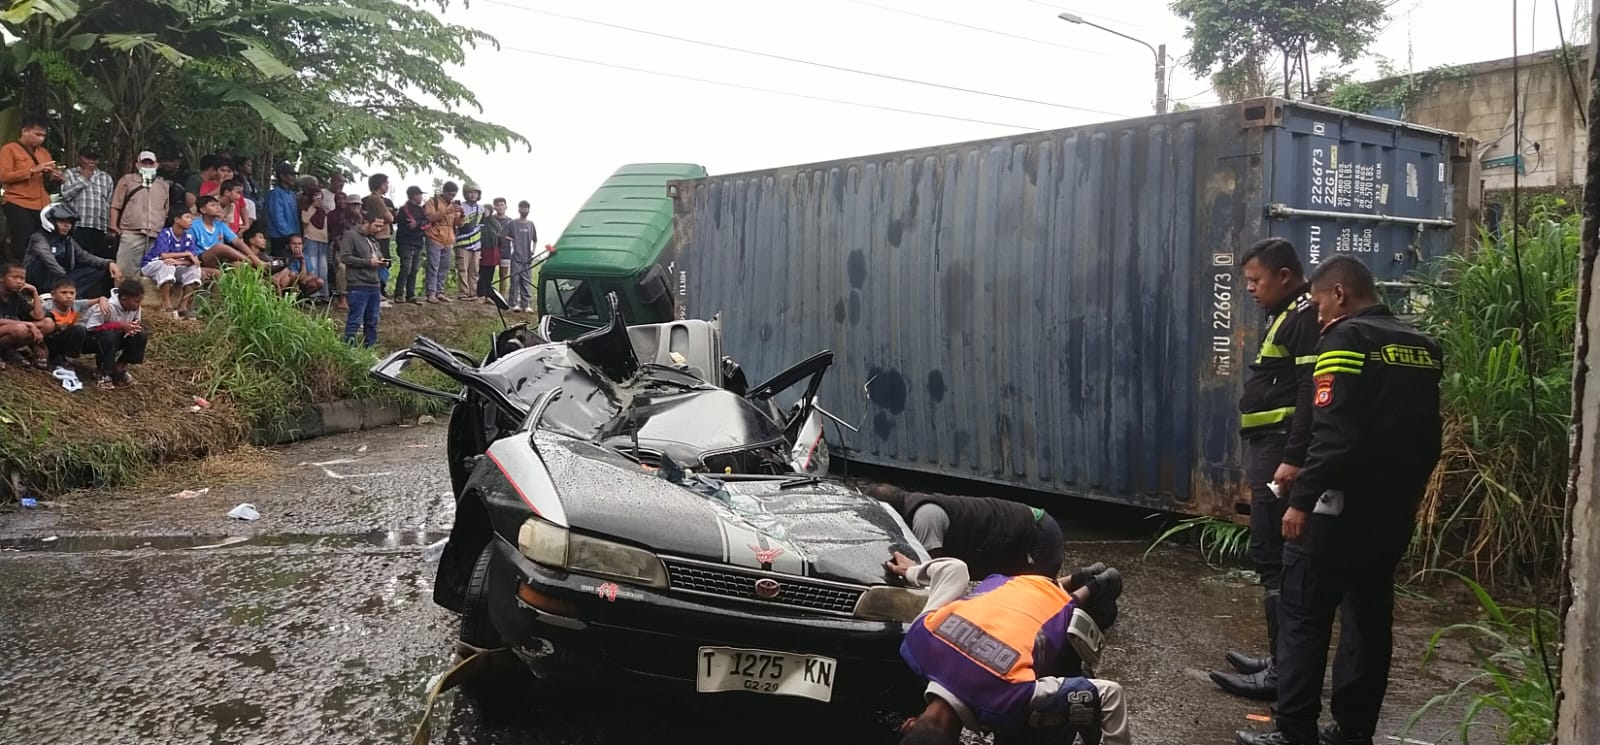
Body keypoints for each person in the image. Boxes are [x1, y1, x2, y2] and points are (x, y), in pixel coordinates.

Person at [1236, 256, 1444, 745]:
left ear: (1340, 295)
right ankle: (1353, 732)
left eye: (1320, 303)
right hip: (1390, 513)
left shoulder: (1345, 339)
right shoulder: (1423, 346)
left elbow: (1334, 437)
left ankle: (1294, 732)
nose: (1319, 315)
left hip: (1336, 510)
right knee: (1368, 622)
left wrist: (1301, 502)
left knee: (1305, 615)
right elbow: (1428, 441)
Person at [1209, 238, 1322, 701]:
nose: (1250, 289)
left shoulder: (1302, 319)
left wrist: (1291, 459)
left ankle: (1282, 675)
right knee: (1267, 553)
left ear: (1284, 276)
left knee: (1273, 553)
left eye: (1255, 280)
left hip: (1280, 453)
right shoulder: (1287, 315)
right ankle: (1279, 660)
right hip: (1270, 449)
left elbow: (1307, 394)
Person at [888, 551, 1128, 745]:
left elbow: (1110, 695)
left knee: (1033, 726)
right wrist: (912, 571)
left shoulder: (1010, 699)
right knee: (1032, 621)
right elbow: (955, 569)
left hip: (1059, 609)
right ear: (909, 723)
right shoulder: (918, 640)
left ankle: (1095, 584)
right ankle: (1093, 582)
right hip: (1019, 582)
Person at [868, 485, 1065, 581]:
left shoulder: (925, 517)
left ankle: (1088, 587)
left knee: (1039, 595)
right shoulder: (916, 508)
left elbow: (935, 574)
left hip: (1039, 533)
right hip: (1018, 537)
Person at [24, 204, 121, 300]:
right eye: (62, 221)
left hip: (61, 277)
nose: (67, 225)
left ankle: (69, 297)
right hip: (42, 278)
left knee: (97, 269)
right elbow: (48, 259)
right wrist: (64, 278)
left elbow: (84, 256)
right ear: (51, 221)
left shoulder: (67, 240)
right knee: (42, 262)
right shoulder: (38, 238)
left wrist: (108, 263)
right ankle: (48, 295)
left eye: (69, 222)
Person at [1, 115, 61, 261]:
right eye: (37, 134)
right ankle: (20, 275)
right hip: (18, 201)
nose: (41, 139)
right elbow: (3, 176)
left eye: (43, 135)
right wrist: (33, 171)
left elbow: (48, 181)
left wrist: (56, 177)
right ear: (24, 131)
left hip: (42, 204)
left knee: (43, 243)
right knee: (22, 243)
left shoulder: (44, 153)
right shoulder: (10, 149)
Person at [108, 150, 172, 280]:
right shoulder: (127, 180)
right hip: (131, 232)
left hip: (155, 233)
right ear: (137, 165)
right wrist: (113, 226)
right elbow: (116, 205)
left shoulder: (163, 185)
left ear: (156, 165)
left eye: (150, 163)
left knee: (151, 272)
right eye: (144, 163)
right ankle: (122, 297)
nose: (147, 166)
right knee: (125, 270)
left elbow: (166, 209)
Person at [78, 279, 147, 389]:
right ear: (124, 299)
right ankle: (104, 371)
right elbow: (91, 328)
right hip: (91, 339)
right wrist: (119, 326)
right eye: (136, 301)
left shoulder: (134, 308)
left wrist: (132, 328)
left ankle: (119, 368)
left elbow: (135, 322)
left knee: (140, 335)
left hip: (115, 338)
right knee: (109, 336)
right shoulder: (107, 307)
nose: (139, 305)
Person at [140, 210, 204, 316]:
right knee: (168, 264)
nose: (190, 221)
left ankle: (183, 306)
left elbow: (193, 261)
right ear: (177, 220)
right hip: (152, 264)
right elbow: (164, 255)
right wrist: (186, 254)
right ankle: (166, 303)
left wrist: (177, 261)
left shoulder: (188, 237)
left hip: (174, 265)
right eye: (187, 217)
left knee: (194, 269)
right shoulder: (165, 233)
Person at [340, 214, 388, 347]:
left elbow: (376, 257)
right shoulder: (351, 236)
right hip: (358, 284)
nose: (379, 229)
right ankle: (349, 350)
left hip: (374, 284)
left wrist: (382, 262)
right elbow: (345, 257)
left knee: (372, 321)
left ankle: (370, 349)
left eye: (381, 226)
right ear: (366, 222)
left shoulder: (373, 240)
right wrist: (367, 262)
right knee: (355, 321)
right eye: (376, 225)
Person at [59, 149, 116, 260]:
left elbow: (109, 203)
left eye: (95, 158)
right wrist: (83, 178)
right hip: (78, 225)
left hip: (99, 226)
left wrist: (109, 226)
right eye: (88, 158)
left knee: (99, 260)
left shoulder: (105, 177)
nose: (91, 161)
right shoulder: (70, 173)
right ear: (79, 158)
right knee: (76, 258)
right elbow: (66, 195)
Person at [188, 195, 267, 270]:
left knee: (239, 265)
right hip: (201, 259)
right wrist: (254, 259)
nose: (218, 208)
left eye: (218, 205)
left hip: (220, 259)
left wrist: (252, 256)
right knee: (220, 247)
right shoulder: (193, 226)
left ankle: (262, 274)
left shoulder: (221, 225)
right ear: (203, 210)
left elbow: (237, 242)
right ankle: (255, 262)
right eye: (213, 205)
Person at [0, 260, 46, 370]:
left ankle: (7, 351)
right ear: (1, 278)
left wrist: (34, 292)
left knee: (47, 324)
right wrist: (28, 324)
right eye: (14, 277)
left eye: (22, 278)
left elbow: (38, 316)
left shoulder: (17, 297)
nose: (19, 281)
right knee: (20, 329)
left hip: (5, 333)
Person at [423, 182, 463, 303]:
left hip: (449, 238)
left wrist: (461, 215)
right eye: (450, 194)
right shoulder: (433, 201)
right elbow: (430, 217)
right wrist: (447, 210)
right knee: (433, 266)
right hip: (435, 236)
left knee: (444, 267)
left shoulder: (453, 204)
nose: (452, 197)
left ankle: (440, 292)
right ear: (444, 192)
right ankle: (431, 293)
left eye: (454, 195)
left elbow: (458, 223)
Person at [39, 277, 89, 370]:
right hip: (47, 340)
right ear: (53, 294)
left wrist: (102, 300)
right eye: (64, 293)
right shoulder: (46, 307)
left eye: (72, 293)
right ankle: (50, 356)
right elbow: (39, 328)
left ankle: (67, 357)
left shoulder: (75, 305)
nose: (69, 296)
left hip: (62, 339)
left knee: (80, 329)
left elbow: (94, 301)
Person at [298, 176, 333, 300]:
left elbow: (326, 224)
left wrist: (321, 207)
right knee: (312, 265)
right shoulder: (305, 203)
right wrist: (313, 206)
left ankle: (324, 293)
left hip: (323, 239)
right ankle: (313, 293)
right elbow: (304, 219)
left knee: (323, 266)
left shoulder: (323, 210)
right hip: (310, 237)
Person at [394, 185, 429, 304]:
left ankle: (410, 294)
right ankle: (399, 294)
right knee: (406, 268)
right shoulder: (404, 209)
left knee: (414, 269)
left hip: (418, 242)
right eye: (420, 195)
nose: (421, 197)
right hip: (406, 242)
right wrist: (418, 225)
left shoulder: (420, 209)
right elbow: (407, 224)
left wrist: (418, 224)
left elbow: (426, 222)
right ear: (414, 195)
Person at [363, 174, 396, 297]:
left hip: (383, 235)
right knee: (382, 262)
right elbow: (390, 217)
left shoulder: (378, 198)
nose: (387, 186)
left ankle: (380, 290)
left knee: (385, 262)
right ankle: (378, 290)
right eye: (386, 183)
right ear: (381, 184)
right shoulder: (376, 199)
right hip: (379, 236)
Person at [269, 233, 325, 299]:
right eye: (293, 243)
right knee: (291, 275)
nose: (297, 246)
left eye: (299, 244)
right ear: (288, 245)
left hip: (298, 282)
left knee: (319, 282)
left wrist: (302, 261)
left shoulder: (304, 256)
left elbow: (307, 276)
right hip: (285, 282)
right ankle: (280, 299)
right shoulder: (284, 255)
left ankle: (299, 299)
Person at [454, 184, 485, 300]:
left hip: (476, 244)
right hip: (462, 243)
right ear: (466, 193)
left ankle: (473, 292)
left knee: (474, 270)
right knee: (463, 269)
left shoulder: (481, 209)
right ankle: (463, 292)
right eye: (470, 192)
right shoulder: (460, 207)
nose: (473, 195)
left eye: (475, 192)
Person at [264, 162, 301, 256]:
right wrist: (288, 234)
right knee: (279, 262)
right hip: (279, 236)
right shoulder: (276, 193)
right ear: (282, 176)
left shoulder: (292, 194)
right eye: (291, 175)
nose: (293, 177)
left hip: (292, 235)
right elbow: (277, 216)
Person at [508, 200, 538, 312]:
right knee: (514, 280)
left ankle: (526, 305)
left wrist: (533, 251)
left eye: (526, 208)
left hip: (527, 258)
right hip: (516, 257)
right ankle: (513, 303)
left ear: (528, 210)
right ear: (518, 209)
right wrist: (513, 240)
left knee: (526, 281)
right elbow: (502, 234)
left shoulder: (531, 224)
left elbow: (535, 240)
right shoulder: (513, 223)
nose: (524, 210)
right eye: (522, 208)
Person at [478, 197, 509, 300]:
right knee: (482, 273)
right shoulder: (481, 221)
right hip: (483, 251)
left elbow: (503, 235)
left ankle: (501, 297)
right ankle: (482, 295)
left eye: (502, 205)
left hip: (499, 251)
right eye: (498, 205)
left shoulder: (506, 222)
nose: (500, 207)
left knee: (502, 275)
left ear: (506, 206)